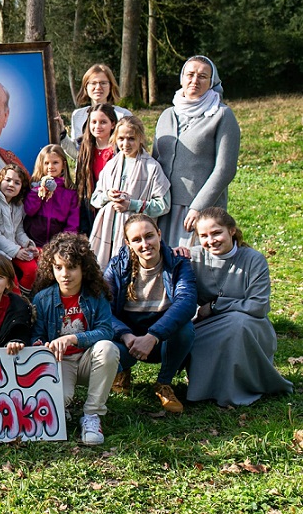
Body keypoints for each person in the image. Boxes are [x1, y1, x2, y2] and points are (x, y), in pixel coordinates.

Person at [186, 208, 293, 406]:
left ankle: (240, 388)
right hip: (206, 324)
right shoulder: (193, 257)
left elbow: (259, 306)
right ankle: (204, 389)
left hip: (252, 325)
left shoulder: (254, 259)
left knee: (238, 323)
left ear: (232, 231)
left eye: (217, 232)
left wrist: (216, 305)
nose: (211, 240)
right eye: (204, 236)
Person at [31, 233, 119, 446]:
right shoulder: (43, 298)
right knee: (58, 402)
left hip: (90, 358)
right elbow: (37, 335)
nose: (64, 274)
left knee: (108, 348)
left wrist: (73, 338)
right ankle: (66, 407)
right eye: (58, 267)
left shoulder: (96, 295)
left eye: (71, 267)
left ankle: (91, 415)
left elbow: (107, 331)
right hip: (60, 362)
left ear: (83, 268)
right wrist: (40, 345)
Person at [104, 215, 195, 413]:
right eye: (136, 240)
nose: (145, 244)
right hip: (128, 340)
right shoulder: (116, 267)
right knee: (104, 345)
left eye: (149, 236)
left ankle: (164, 383)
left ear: (159, 235)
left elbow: (187, 302)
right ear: (128, 243)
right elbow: (103, 310)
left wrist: (153, 336)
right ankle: (122, 372)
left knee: (185, 329)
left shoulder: (179, 263)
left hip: (162, 339)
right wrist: (126, 336)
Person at [153, 56, 241, 247]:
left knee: (194, 266)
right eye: (190, 74)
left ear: (211, 82)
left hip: (198, 209)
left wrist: (199, 207)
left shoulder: (221, 115)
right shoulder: (167, 114)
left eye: (202, 76)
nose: (195, 80)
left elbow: (225, 169)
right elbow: (154, 160)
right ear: (182, 78)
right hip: (164, 206)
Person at [89, 116, 170, 268]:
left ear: (140, 138)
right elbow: (95, 198)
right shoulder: (111, 165)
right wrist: (108, 195)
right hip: (107, 230)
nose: (125, 144)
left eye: (131, 138)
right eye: (121, 138)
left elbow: (163, 204)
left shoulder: (151, 168)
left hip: (135, 235)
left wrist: (132, 204)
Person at [0, 163, 39, 295]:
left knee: (32, 268)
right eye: (8, 180)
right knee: (10, 277)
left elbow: (19, 231)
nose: (11, 185)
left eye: (16, 183)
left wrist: (27, 244)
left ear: (21, 187)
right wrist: (16, 251)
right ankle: (16, 300)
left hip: (13, 248)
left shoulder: (17, 205)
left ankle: (26, 298)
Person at [60, 64, 131, 157]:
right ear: (86, 87)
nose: (98, 87)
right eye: (93, 83)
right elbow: (77, 154)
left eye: (103, 83)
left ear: (111, 86)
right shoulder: (78, 115)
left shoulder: (123, 115)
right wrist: (62, 133)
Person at [73, 103, 118, 236]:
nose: (97, 126)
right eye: (94, 122)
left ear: (113, 124)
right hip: (91, 208)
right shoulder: (86, 150)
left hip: (113, 206)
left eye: (103, 122)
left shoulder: (119, 151)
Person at [23, 144, 79, 248]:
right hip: (34, 242)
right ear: (41, 165)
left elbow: (73, 222)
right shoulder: (34, 186)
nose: (50, 167)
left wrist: (65, 243)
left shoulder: (70, 192)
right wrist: (39, 191)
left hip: (58, 245)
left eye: (55, 163)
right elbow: (29, 210)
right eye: (46, 163)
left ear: (63, 165)